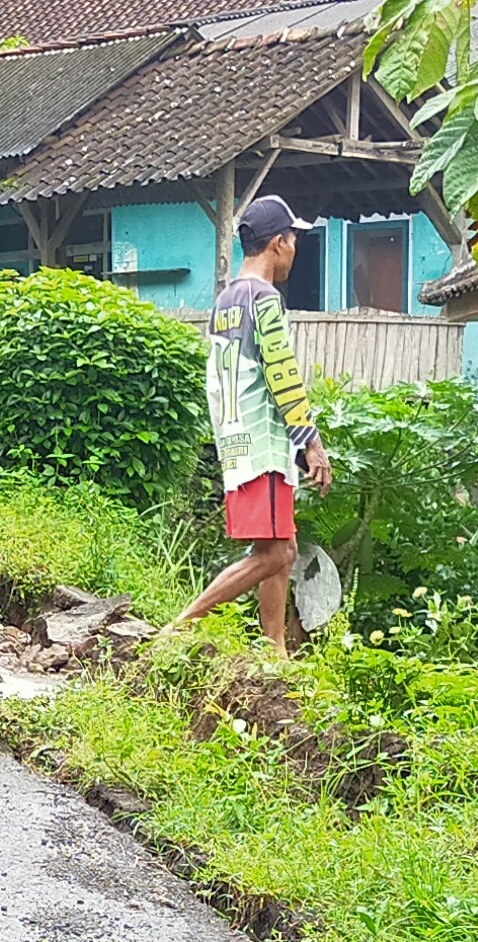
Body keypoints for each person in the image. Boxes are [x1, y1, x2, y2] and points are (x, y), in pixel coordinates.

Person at [167, 195, 333, 650]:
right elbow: (282, 373)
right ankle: (179, 626)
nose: (296, 248)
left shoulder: (225, 300)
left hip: (236, 441)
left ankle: (275, 651)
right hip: (263, 444)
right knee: (276, 553)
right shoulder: (264, 299)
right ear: (278, 242)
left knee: (283, 549)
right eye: (293, 238)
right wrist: (310, 442)